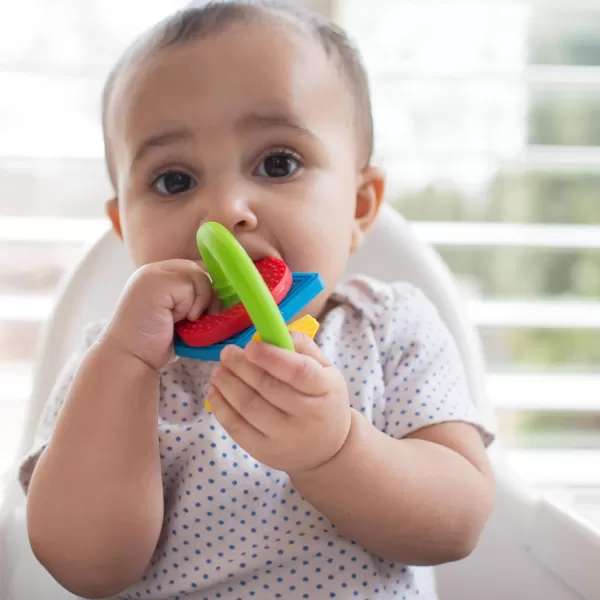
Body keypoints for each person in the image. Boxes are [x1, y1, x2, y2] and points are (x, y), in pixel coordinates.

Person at [20, 2, 495, 598]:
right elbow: (83, 566)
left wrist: (337, 451)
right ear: (124, 229)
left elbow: (457, 524)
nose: (224, 210)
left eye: (278, 163)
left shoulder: (389, 329)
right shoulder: (112, 362)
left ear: (358, 205)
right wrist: (126, 366)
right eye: (174, 180)